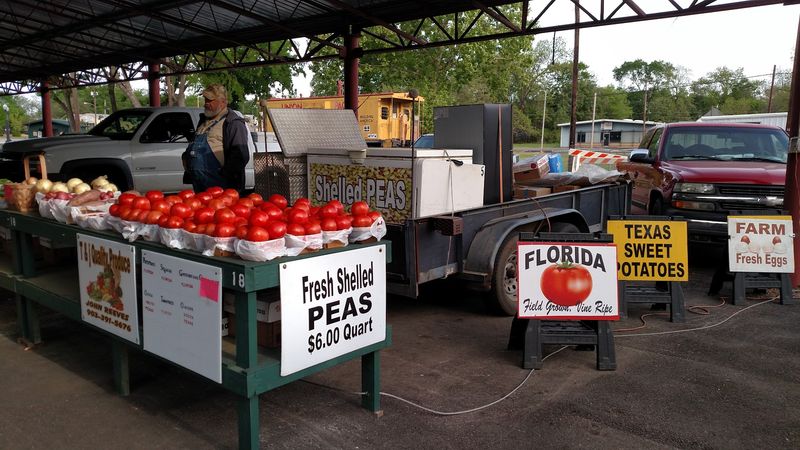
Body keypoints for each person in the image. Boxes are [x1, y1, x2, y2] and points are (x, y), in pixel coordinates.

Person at [182, 84, 251, 193]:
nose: (206, 103)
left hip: (222, 188)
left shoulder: (233, 123)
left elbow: (241, 155)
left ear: (223, 102)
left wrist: (225, 173)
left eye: (210, 100)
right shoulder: (203, 122)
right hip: (200, 186)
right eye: (205, 100)